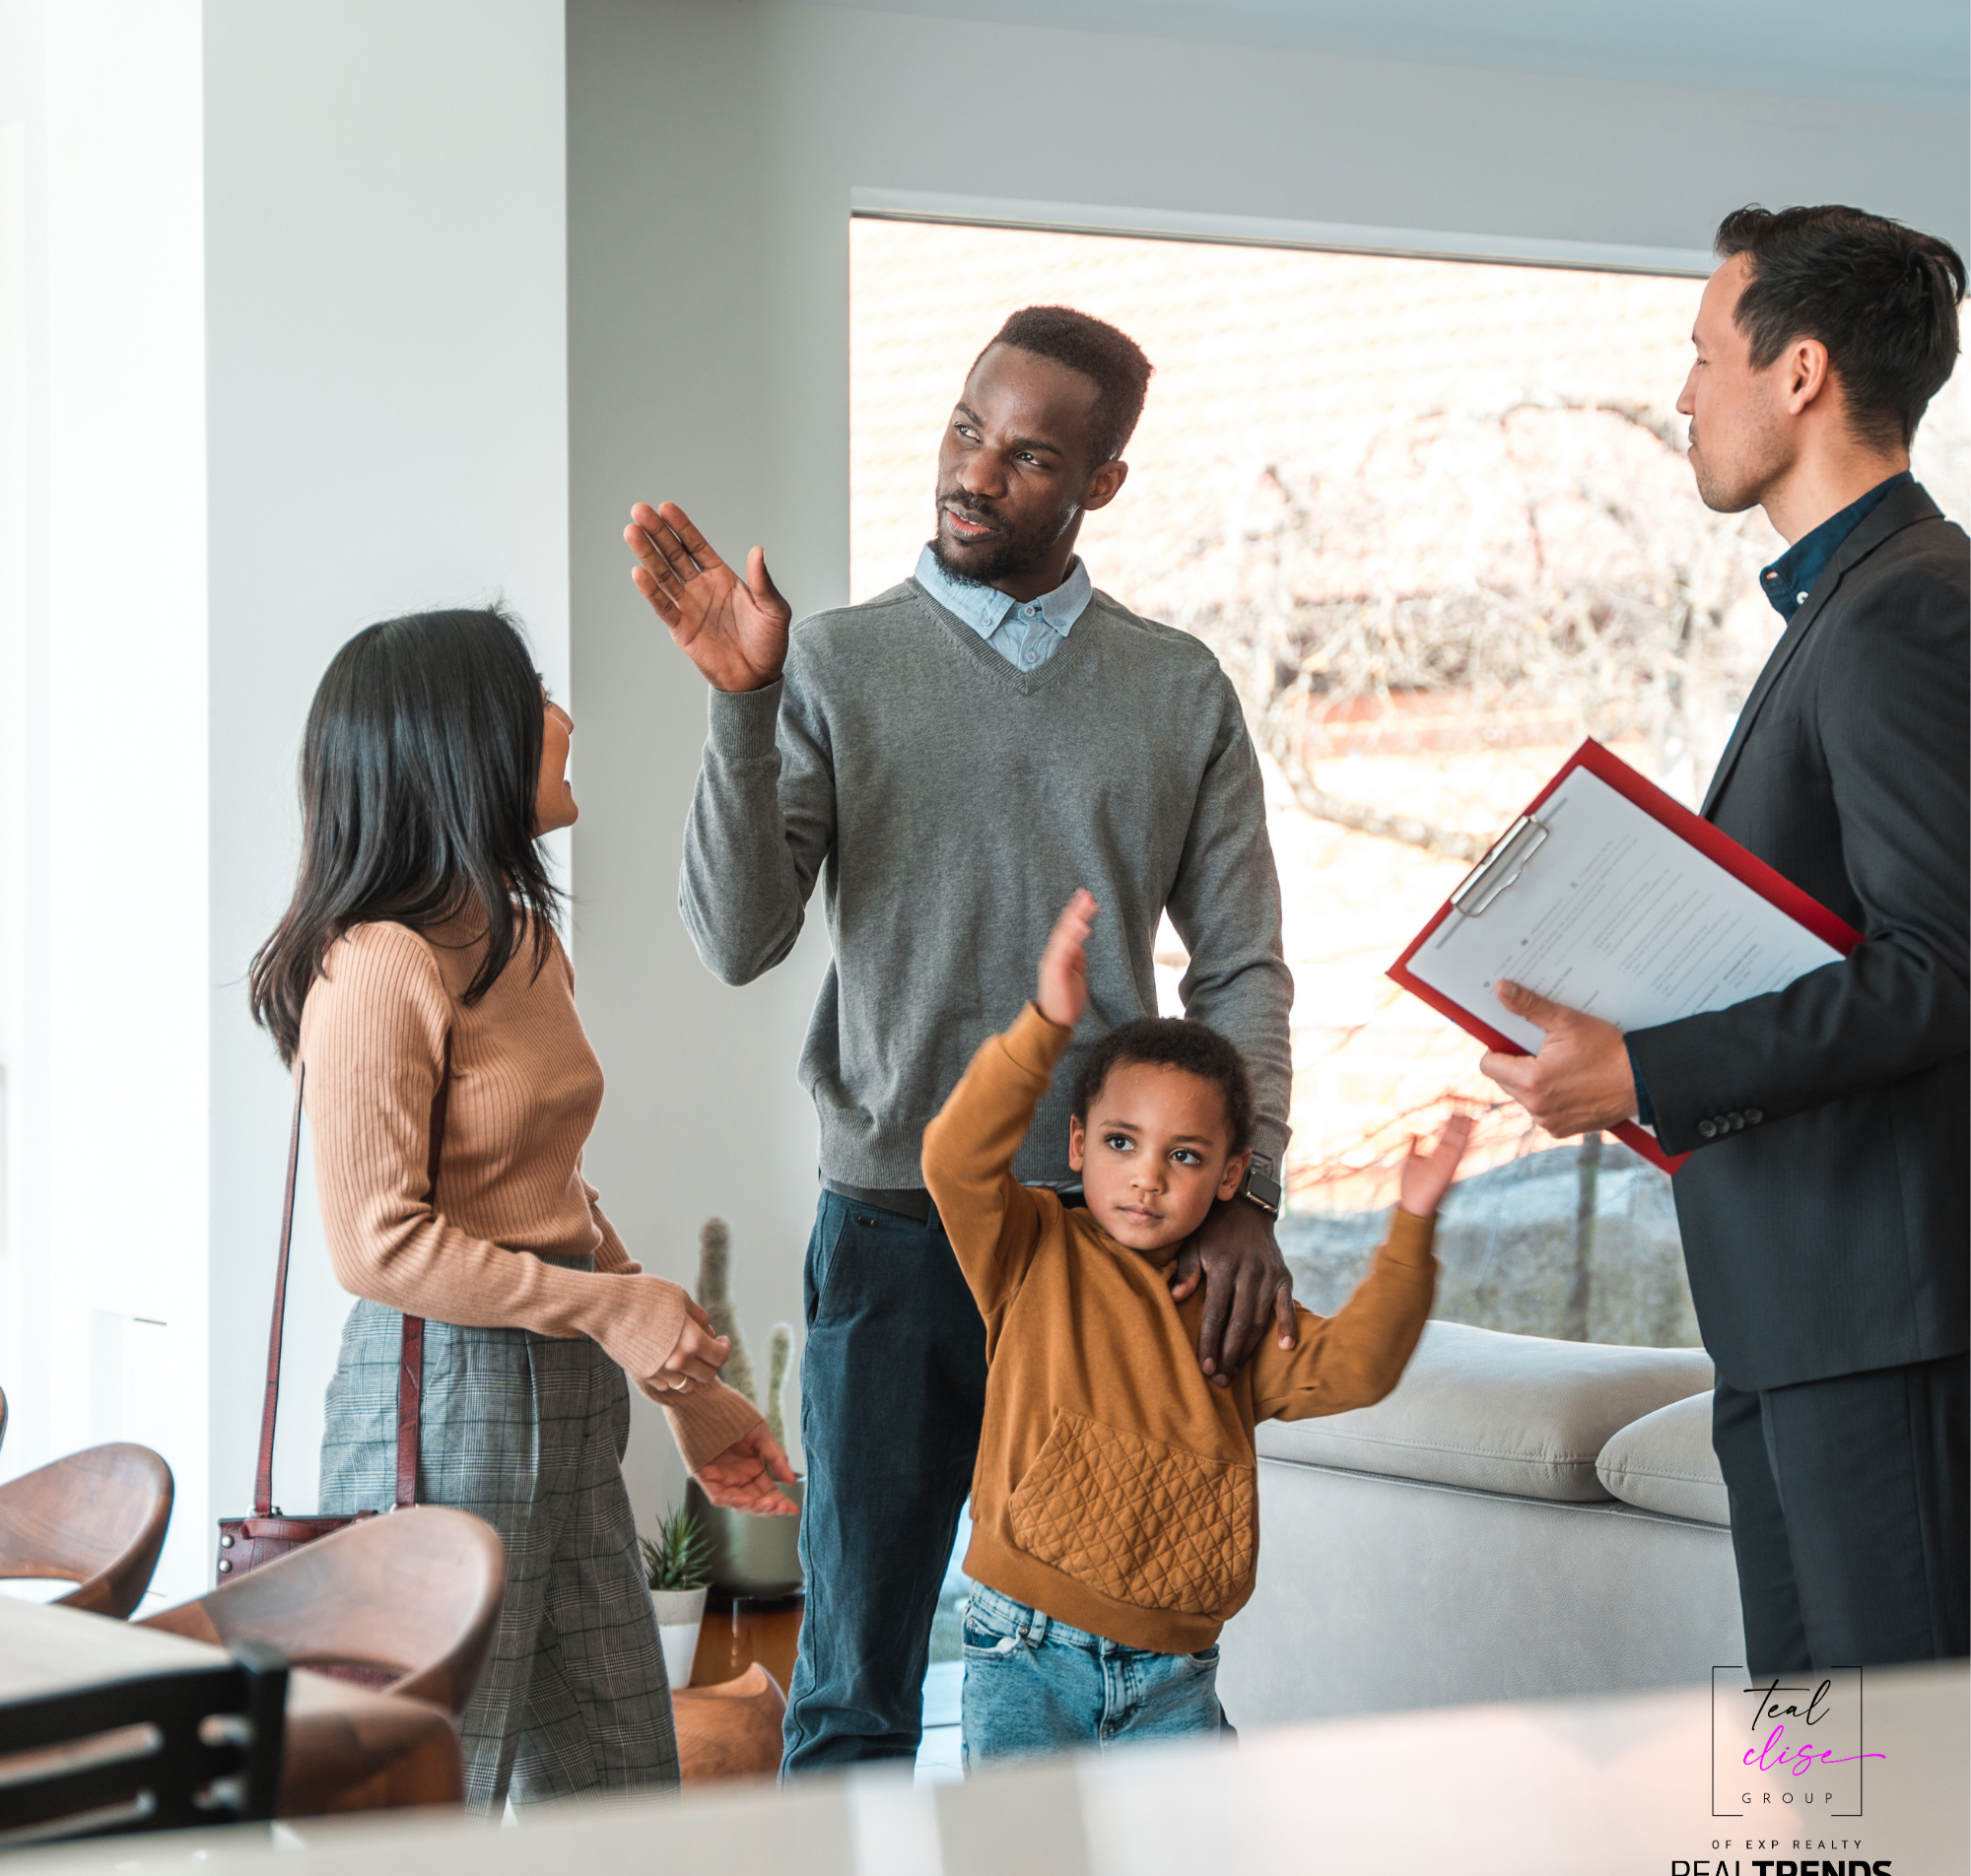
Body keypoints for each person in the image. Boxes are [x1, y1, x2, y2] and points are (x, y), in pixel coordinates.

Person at [628, 306, 1298, 1772]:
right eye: (965, 431)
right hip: (893, 1229)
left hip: (1113, 1245)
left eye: (1030, 455)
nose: (976, 474)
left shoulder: (1177, 688)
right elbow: (735, 936)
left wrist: (1244, 1194)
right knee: (857, 1678)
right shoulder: (837, 663)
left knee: (1107, 1671)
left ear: (1099, 485)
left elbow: (1241, 963)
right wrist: (743, 710)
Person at [1480, 205, 1968, 1672]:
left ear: (1801, 371)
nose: (1685, 392)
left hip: (1882, 1322)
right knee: (1827, 1787)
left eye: (1703, 354)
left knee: (1913, 1794)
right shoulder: (1853, 606)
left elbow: (1942, 969)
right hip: (1804, 1317)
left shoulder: (1906, 618)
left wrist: (1648, 1067)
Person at [248, 607, 796, 1813]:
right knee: (425, 1807)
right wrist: (604, 1308)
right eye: (533, 696)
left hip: (562, 1389)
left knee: (614, 1792)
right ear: (458, 744)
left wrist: (693, 1395)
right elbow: (374, 1241)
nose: (563, 718)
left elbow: (552, 1195)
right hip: (436, 1394)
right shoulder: (377, 962)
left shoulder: (518, 938)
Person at [920, 891, 1467, 1765]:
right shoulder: (1029, 1248)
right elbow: (952, 1157)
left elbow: (1358, 1367)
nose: (1146, 1179)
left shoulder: (1233, 1307)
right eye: (1121, 1143)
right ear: (1076, 1143)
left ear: (1227, 1176)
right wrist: (1045, 1025)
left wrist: (1411, 1226)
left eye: (1183, 1156)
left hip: (1174, 1675)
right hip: (1022, 1648)